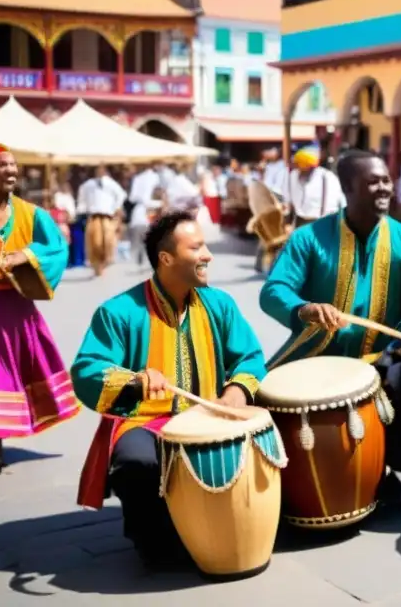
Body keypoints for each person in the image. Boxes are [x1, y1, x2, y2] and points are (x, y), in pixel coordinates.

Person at [72, 210, 267, 566]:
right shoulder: (118, 312)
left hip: (210, 414)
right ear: (166, 258)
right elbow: (87, 370)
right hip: (144, 421)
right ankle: (151, 538)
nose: (208, 255)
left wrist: (235, 393)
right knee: (136, 460)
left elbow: (251, 358)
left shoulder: (219, 304)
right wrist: (134, 380)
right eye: (197, 248)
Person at [260, 149, 401, 507]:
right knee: (259, 397)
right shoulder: (308, 239)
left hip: (380, 354)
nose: (384, 187)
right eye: (373, 181)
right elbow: (273, 291)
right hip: (314, 353)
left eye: (386, 179)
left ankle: (387, 471)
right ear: (348, 188)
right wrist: (305, 308)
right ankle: (283, 479)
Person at [0, 143, 80, 476]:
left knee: (7, 376)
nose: (11, 170)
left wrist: (27, 255)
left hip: (15, 309)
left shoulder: (32, 214)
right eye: (1, 165)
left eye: (13, 165)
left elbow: (57, 249)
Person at [78, 165, 127, 277]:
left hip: (107, 216)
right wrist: (82, 209)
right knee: (94, 242)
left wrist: (116, 208)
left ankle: (106, 260)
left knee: (108, 240)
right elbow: (82, 197)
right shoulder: (88, 184)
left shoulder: (111, 184)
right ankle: (96, 263)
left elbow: (121, 195)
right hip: (94, 216)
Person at [283, 143, 345, 228]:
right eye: (298, 166)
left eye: (305, 167)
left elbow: (332, 206)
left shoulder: (327, 177)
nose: (301, 170)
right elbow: (288, 201)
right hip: (299, 221)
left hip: (320, 222)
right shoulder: (292, 176)